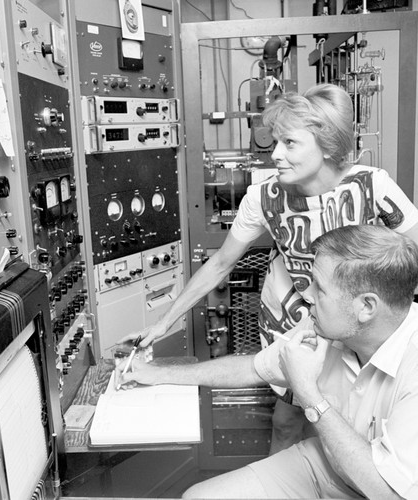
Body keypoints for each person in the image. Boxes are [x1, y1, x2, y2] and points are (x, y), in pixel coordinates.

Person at [121, 83, 418, 453]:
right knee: (287, 420)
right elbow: (220, 264)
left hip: (358, 322)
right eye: (276, 142)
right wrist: (166, 321)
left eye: (290, 143)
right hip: (297, 319)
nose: (275, 154)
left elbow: (414, 252)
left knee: (361, 420)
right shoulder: (263, 196)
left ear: (327, 145)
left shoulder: (372, 186)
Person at [117, 225, 418, 499]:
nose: (307, 296)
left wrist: (309, 394)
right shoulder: (322, 327)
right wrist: (157, 373)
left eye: (319, 289)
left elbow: (388, 491)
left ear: (366, 306)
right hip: (326, 465)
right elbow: (252, 367)